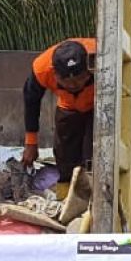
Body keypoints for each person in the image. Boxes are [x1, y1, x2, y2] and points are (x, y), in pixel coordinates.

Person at [21, 38, 96, 198]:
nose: (74, 85)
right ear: (55, 75)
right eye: (67, 81)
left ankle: (93, 200)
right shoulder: (42, 69)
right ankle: (66, 200)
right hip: (68, 106)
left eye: (80, 78)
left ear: (90, 68)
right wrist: (31, 143)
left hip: (99, 106)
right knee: (64, 153)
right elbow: (31, 102)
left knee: (92, 154)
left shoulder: (102, 57)